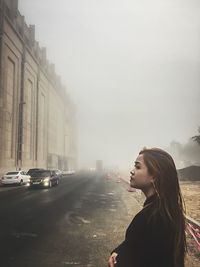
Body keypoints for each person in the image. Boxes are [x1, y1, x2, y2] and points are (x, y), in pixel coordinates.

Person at [108, 147, 186, 267]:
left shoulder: (153, 217)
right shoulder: (164, 209)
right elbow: (136, 244)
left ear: (154, 176)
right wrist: (118, 251)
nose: (132, 171)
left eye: (138, 167)